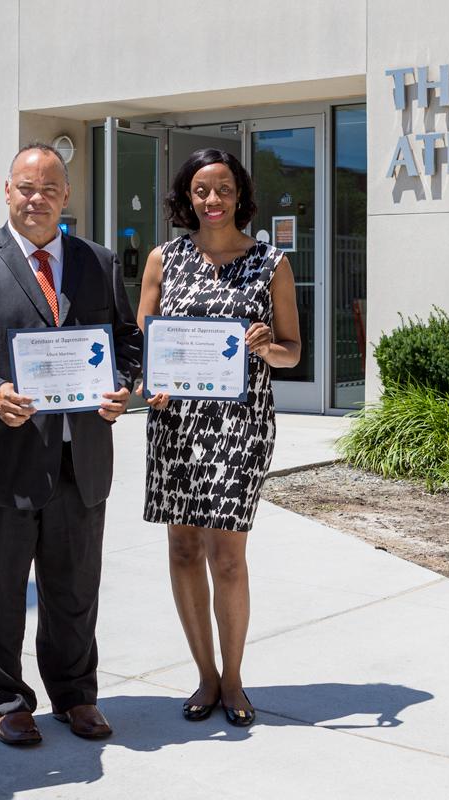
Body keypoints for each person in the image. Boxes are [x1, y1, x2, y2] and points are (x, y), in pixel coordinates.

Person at [0, 143, 142, 746]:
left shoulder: (96, 261)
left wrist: (121, 387)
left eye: (49, 189)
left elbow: (127, 340)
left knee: (74, 590)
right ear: (6, 191)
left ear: (66, 196)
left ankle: (76, 695)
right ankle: (7, 702)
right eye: (26, 188)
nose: (37, 199)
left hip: (80, 460)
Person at [138, 148, 302, 727]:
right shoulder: (164, 259)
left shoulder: (270, 262)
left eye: (224, 189)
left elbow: (292, 351)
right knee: (183, 549)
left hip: (240, 425)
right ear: (187, 197)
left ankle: (233, 679)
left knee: (226, 557)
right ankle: (204, 675)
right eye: (201, 190)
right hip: (177, 426)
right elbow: (146, 347)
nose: (212, 200)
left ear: (240, 195)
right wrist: (149, 384)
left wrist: (265, 348)